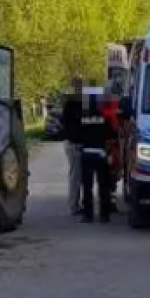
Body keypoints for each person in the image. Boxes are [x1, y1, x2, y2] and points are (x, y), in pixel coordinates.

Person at [78, 85, 117, 223]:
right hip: (101, 154)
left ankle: (88, 215)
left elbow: (77, 136)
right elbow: (112, 134)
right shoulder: (104, 117)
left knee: (87, 186)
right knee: (103, 185)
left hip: (86, 153)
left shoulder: (83, 118)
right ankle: (104, 215)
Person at [61, 76, 84, 215]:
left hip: (72, 143)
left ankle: (75, 204)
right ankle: (73, 206)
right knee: (76, 176)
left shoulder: (72, 104)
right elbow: (75, 127)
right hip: (74, 144)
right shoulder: (72, 105)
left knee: (76, 175)